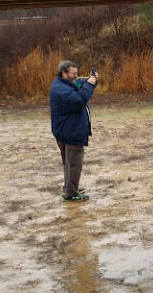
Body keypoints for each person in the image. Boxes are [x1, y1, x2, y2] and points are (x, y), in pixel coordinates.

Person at [50, 60, 98, 202]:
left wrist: (91, 81)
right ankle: (71, 194)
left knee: (69, 163)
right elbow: (80, 98)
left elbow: (79, 85)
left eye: (77, 73)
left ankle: (69, 188)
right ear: (64, 73)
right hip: (71, 132)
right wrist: (89, 84)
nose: (77, 76)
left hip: (66, 131)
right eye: (73, 73)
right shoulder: (61, 89)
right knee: (74, 164)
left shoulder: (63, 84)